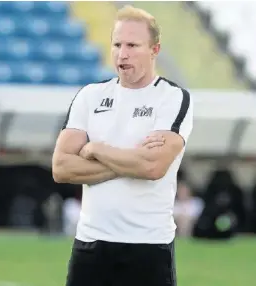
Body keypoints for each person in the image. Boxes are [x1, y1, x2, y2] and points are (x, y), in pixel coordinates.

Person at [52, 5, 193, 286]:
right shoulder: (90, 96)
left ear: (155, 49)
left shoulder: (172, 98)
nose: (122, 53)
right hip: (90, 246)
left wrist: (96, 150)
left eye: (132, 45)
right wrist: (131, 161)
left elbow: (153, 166)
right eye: (117, 44)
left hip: (148, 248)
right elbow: (61, 167)